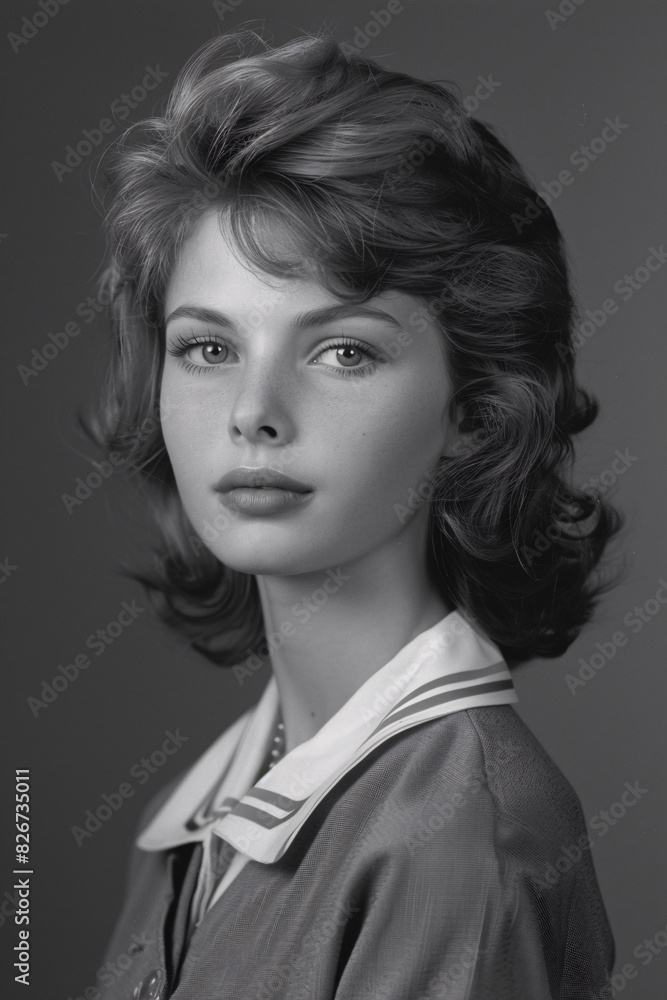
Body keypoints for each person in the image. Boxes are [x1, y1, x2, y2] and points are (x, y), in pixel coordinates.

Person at [83, 26, 621, 999]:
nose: (252, 412)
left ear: (471, 407)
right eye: (208, 348)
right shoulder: (188, 817)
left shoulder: (464, 842)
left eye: (342, 351)